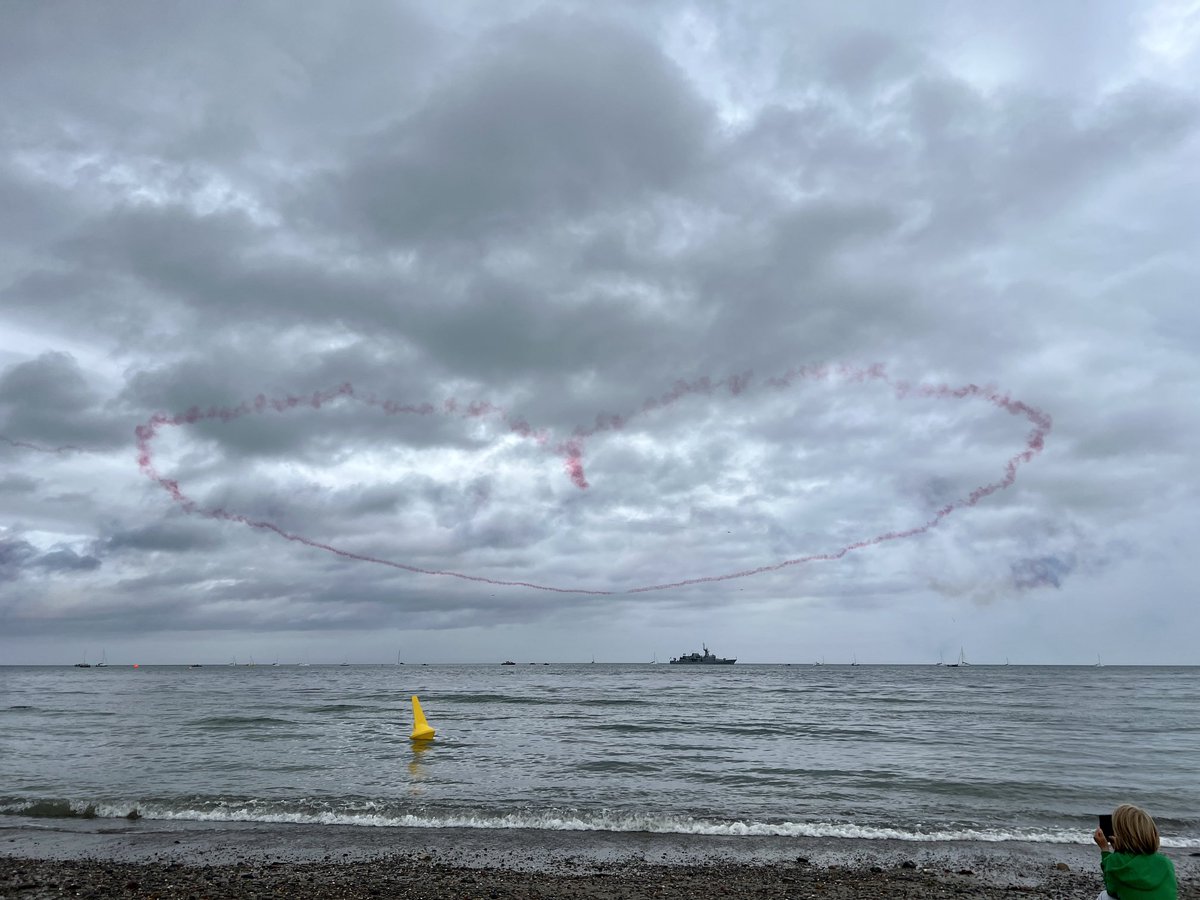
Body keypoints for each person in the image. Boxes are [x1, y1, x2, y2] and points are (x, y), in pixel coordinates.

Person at [1093, 803, 1177, 900]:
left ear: (1120, 835)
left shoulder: (1115, 862)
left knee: (1104, 896)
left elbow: (1111, 888)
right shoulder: (1166, 863)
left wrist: (1105, 849)